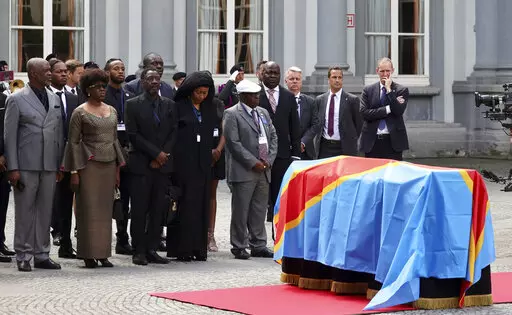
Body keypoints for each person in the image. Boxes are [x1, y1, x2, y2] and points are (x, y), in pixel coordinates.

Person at [61, 68, 125, 268]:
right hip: (87, 166)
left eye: (103, 86)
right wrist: (73, 172)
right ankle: (88, 254)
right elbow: (73, 143)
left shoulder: (112, 110)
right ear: (88, 90)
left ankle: (103, 253)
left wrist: (117, 170)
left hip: (108, 165)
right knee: (88, 210)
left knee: (106, 212)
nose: (102, 90)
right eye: (97, 87)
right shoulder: (80, 112)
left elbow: (115, 139)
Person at [4, 58, 64, 272]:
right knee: (25, 211)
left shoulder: (53, 97)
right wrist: (13, 167)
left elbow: (59, 133)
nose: (51, 73)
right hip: (26, 164)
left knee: (45, 211)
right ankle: (23, 254)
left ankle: (42, 254)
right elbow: (9, 136)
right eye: (46, 70)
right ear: (33, 74)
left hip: (49, 164)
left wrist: (59, 164)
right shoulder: (17, 99)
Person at [125, 67, 177, 265]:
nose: (154, 82)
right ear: (143, 82)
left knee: (158, 209)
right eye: (150, 79)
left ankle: (152, 248)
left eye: (157, 78)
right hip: (141, 165)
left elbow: (173, 132)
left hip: (162, 166)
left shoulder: (169, 105)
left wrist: (163, 155)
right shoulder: (133, 105)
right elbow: (133, 135)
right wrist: (155, 154)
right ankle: (138, 250)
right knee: (139, 209)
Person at [224, 80, 277, 259]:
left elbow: (273, 137)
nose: (257, 98)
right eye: (254, 95)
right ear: (243, 97)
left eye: (258, 95)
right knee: (241, 209)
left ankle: (259, 244)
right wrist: (253, 162)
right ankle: (239, 245)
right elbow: (233, 143)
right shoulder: (232, 114)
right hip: (244, 169)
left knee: (259, 209)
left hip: (264, 168)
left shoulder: (263, 112)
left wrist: (268, 160)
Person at [167, 71, 216, 261]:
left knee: (201, 206)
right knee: (185, 207)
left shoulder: (209, 108)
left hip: (202, 165)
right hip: (183, 165)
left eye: (205, 93)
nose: (202, 96)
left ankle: (198, 248)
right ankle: (182, 249)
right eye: (199, 93)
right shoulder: (178, 107)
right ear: (190, 91)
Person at [258, 61, 301, 222]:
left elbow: (294, 128)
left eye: (276, 73)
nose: (272, 76)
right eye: (269, 73)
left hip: (283, 153)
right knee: (261, 192)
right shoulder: (255, 95)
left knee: (279, 191)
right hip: (260, 154)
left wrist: (296, 155)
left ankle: (276, 222)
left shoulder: (288, 96)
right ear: (262, 74)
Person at [103, 58, 136, 255]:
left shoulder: (129, 94)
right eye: (116, 68)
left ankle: (123, 238)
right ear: (107, 72)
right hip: (109, 150)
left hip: (128, 150)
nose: (121, 71)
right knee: (111, 198)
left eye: (123, 68)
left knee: (126, 196)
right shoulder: (102, 95)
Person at [47, 58, 79, 259]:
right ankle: (47, 239)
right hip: (49, 157)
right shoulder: (45, 96)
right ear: (49, 74)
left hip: (70, 157)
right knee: (50, 201)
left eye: (66, 71)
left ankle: (66, 244)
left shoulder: (74, 98)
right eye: (59, 71)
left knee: (67, 201)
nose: (64, 74)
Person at [359, 57, 409, 160]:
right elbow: (364, 113)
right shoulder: (368, 90)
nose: (385, 74)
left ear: (392, 71)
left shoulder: (401, 90)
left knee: (393, 174)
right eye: (382, 71)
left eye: (388, 71)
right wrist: (388, 109)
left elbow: (398, 111)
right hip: (372, 142)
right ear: (377, 71)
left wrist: (389, 90)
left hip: (392, 142)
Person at [315, 66, 362, 158]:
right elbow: (317, 123)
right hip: (324, 147)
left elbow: (359, 125)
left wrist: (351, 140)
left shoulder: (352, 100)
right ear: (328, 79)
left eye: (340, 77)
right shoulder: (320, 99)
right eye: (334, 77)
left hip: (344, 148)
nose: (337, 80)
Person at [284, 66, 321, 160]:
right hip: (286, 150)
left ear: (301, 82)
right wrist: (292, 143)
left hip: (306, 151)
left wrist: (303, 142)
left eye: (297, 79)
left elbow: (316, 125)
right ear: (286, 81)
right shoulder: (280, 101)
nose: (295, 81)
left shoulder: (310, 102)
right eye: (291, 79)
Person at [0, 91, 13, 263]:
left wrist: (4, 154)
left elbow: (6, 128)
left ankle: (0, 242)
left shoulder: (4, 99)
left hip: (2, 161)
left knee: (2, 204)